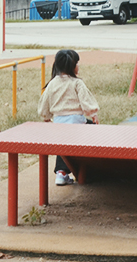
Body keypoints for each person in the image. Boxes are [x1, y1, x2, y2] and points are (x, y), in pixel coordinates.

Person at [37, 49, 99, 186]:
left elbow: (44, 105)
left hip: (59, 124)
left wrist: (46, 118)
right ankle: (89, 169)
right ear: (72, 67)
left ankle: (61, 172)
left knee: (62, 143)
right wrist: (93, 113)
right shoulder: (77, 83)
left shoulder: (52, 83)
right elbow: (86, 102)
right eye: (77, 63)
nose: (78, 66)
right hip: (77, 123)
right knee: (94, 134)